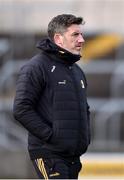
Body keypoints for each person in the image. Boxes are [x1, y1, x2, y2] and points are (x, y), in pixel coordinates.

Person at [13, 14, 90, 179]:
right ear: (58, 39)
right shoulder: (36, 67)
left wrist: (84, 139)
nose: (82, 39)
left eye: (81, 34)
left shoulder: (77, 71)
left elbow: (85, 109)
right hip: (49, 153)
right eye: (75, 34)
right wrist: (51, 136)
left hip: (72, 156)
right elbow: (21, 109)